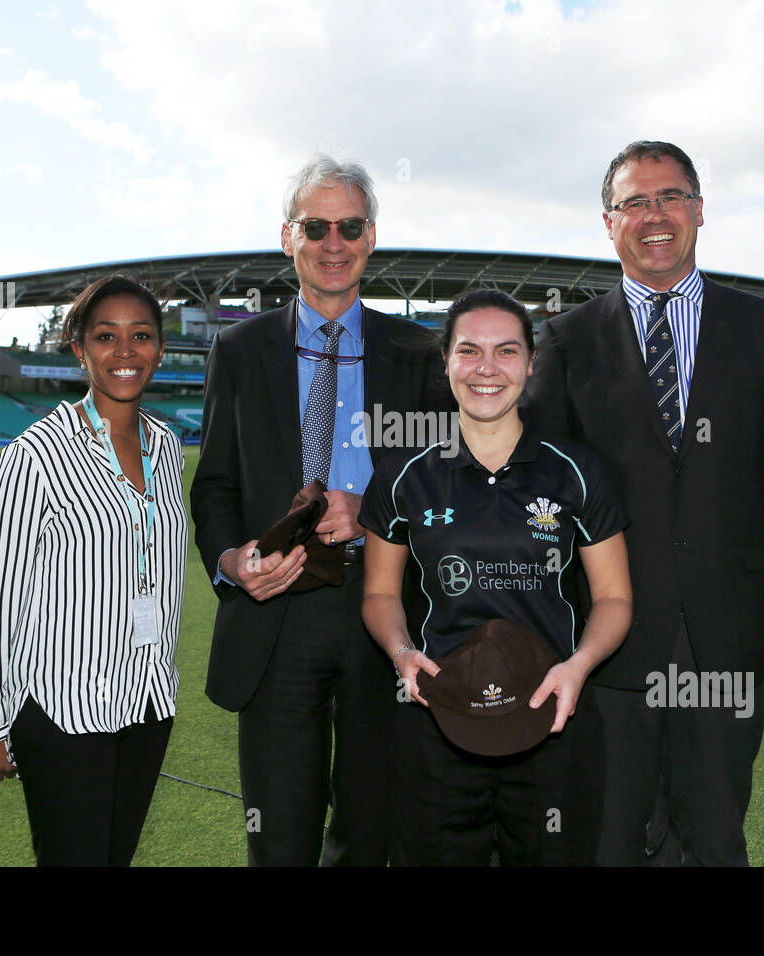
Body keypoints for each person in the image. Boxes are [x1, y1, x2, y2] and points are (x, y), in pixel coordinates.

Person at [525, 140, 764, 866]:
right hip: (607, 644)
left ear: (699, 209)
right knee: (608, 843)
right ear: (609, 224)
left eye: (669, 197)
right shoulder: (567, 340)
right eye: (634, 202)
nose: (654, 215)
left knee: (715, 841)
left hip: (728, 637)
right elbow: (540, 499)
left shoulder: (762, 329)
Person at [190, 155, 451, 866]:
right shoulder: (239, 349)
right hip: (277, 612)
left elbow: (451, 483)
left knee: (370, 832)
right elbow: (213, 485)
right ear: (287, 237)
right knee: (277, 831)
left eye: (349, 226)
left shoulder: (422, 353)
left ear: (371, 238)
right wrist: (231, 561)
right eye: (316, 226)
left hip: (385, 605)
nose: (333, 242)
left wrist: (370, 508)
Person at [360, 289, 633, 866]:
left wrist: (578, 667)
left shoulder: (576, 470)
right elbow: (381, 593)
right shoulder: (403, 471)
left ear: (532, 364)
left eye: (507, 351)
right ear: (446, 363)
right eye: (469, 350)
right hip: (435, 716)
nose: (487, 368)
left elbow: (614, 598)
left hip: (550, 716)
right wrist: (401, 651)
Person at [0, 274, 187, 866]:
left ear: (160, 349)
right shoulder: (34, 454)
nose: (125, 351)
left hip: (146, 703)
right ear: (80, 349)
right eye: (106, 336)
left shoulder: (167, 449)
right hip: (63, 708)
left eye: (141, 335)